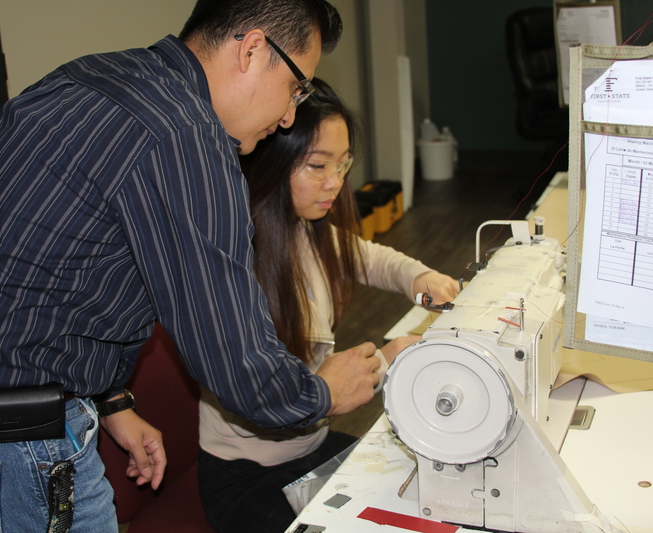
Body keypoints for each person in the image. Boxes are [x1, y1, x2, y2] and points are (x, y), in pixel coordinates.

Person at [0, 2, 385, 532]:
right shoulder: (186, 138)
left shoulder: (96, 74)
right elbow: (234, 358)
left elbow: (50, 270)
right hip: (18, 442)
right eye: (297, 88)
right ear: (252, 50)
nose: (291, 115)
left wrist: (111, 402)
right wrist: (324, 392)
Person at [197, 78, 460, 532]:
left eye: (342, 165)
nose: (335, 182)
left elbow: (370, 258)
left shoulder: (302, 227)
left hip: (309, 448)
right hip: (248, 477)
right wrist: (381, 361)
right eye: (318, 166)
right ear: (273, 161)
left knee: (435, 492)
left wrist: (420, 278)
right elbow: (263, 404)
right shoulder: (235, 265)